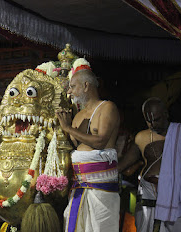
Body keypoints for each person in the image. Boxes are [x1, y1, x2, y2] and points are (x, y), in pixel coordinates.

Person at [56, 58, 120, 232]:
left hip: (101, 190)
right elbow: (76, 146)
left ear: (86, 86)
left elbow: (100, 142)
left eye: (73, 87)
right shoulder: (78, 116)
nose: (69, 92)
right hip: (79, 188)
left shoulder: (107, 108)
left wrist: (68, 128)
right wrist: (63, 129)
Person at [118, 97, 181, 232]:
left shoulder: (179, 133)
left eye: (156, 119)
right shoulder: (141, 137)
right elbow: (124, 164)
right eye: (148, 121)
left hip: (175, 198)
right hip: (147, 196)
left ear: (166, 114)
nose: (152, 125)